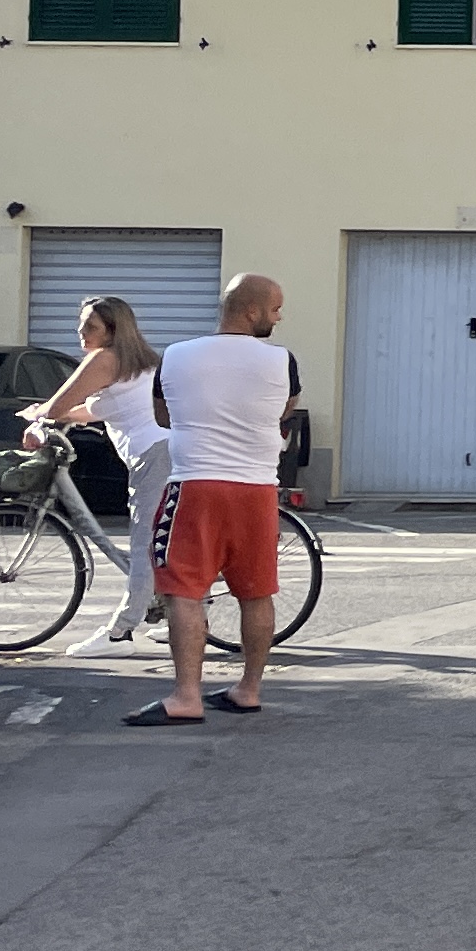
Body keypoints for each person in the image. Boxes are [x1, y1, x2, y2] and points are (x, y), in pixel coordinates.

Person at [133, 273, 293, 726]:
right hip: (258, 491)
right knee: (257, 590)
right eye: (275, 308)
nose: (279, 317)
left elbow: (163, 414)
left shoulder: (177, 356)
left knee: (184, 589)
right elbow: (285, 408)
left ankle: (186, 696)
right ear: (251, 311)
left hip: (196, 485)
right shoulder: (283, 361)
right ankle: (249, 689)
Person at [37, 295, 167, 648]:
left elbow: (60, 404)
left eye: (90, 326)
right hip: (171, 450)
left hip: (154, 457)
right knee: (170, 542)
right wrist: (50, 413)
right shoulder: (139, 363)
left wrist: (38, 418)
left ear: (113, 331)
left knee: (143, 545)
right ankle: (188, 614)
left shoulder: (105, 358)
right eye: (80, 324)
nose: (81, 332)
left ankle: (120, 632)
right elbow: (92, 410)